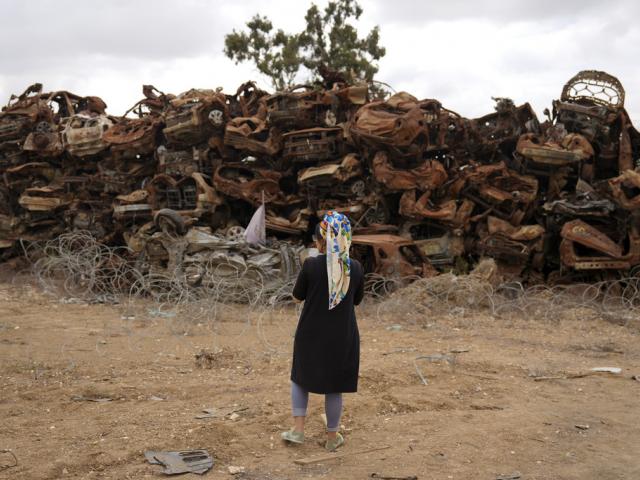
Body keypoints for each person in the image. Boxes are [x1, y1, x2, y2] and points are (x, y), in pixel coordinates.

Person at [281, 211, 365, 451]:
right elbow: (357, 301)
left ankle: (297, 431)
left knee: (300, 378)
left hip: (311, 334)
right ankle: (332, 438)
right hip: (343, 337)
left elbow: (297, 297)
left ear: (321, 240)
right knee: (334, 386)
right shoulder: (356, 268)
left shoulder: (311, 265)